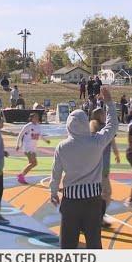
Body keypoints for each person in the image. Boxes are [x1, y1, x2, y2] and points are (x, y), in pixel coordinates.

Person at [49, 87, 117, 249]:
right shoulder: (96, 141)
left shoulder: (62, 147)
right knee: (93, 240)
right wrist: (109, 102)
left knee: (68, 242)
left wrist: (53, 192)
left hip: (71, 201)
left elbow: (56, 173)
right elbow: (112, 125)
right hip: (93, 200)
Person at [90, 107, 120, 227]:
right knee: (106, 193)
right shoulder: (104, 129)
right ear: (101, 116)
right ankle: (98, 218)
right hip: (102, 167)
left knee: (97, 193)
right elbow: (112, 142)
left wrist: (116, 153)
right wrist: (117, 154)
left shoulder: (91, 128)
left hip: (93, 166)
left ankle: (95, 216)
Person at [16, 112, 50, 185]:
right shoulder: (28, 126)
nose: (37, 118)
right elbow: (20, 134)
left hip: (33, 147)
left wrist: (46, 140)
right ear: (31, 118)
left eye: (37, 116)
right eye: (35, 117)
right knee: (33, 163)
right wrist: (18, 145)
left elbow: (40, 135)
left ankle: (21, 175)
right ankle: (21, 176)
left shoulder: (38, 126)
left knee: (33, 163)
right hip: (27, 146)